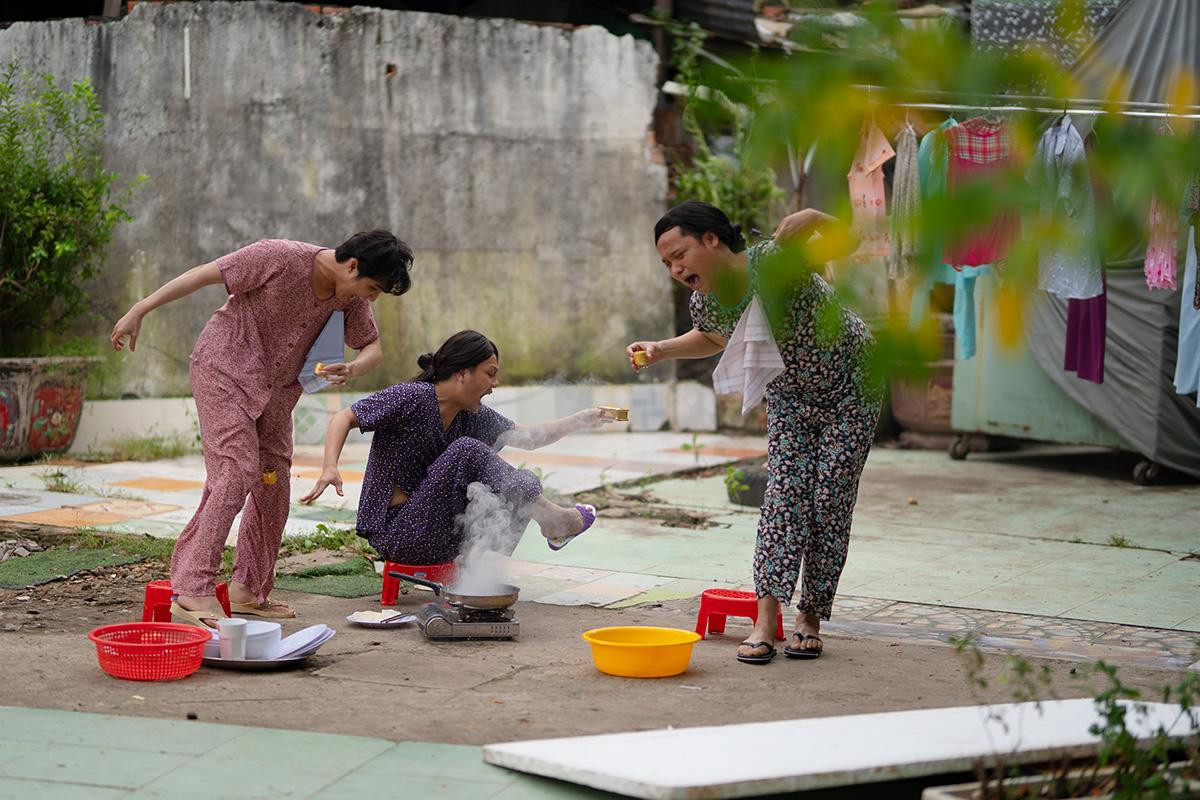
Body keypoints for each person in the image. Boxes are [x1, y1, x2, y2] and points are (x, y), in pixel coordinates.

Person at [110, 231, 413, 627]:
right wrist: (140, 309)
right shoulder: (279, 257)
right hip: (224, 369)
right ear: (352, 265)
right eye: (372, 288)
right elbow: (204, 274)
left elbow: (372, 348)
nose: (371, 298)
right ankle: (191, 589)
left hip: (277, 394)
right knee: (235, 470)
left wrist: (353, 368)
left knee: (272, 485)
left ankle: (247, 591)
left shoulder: (350, 295)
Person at [626, 201, 880, 664]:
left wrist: (818, 220)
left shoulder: (772, 260)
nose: (674, 269)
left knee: (829, 499)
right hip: (790, 398)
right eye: (666, 263)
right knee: (784, 496)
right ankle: (766, 620)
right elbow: (713, 335)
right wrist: (660, 349)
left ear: (711, 240)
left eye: (678, 255)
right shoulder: (705, 301)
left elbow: (851, 243)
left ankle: (810, 618)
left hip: (853, 387)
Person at [302, 330, 606, 563]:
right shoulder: (412, 397)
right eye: (490, 373)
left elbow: (530, 438)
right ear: (462, 374)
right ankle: (556, 521)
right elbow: (344, 417)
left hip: (444, 536)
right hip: (398, 534)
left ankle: (551, 523)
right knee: (467, 451)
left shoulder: (471, 415)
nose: (495, 383)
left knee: (499, 478)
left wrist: (581, 420)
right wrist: (330, 467)